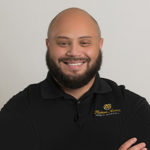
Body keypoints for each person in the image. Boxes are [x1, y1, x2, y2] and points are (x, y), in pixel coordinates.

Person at [0, 7, 149, 150]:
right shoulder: (19, 111)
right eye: (63, 43)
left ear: (100, 45)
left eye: (84, 43)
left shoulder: (133, 108)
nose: (74, 51)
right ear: (48, 45)